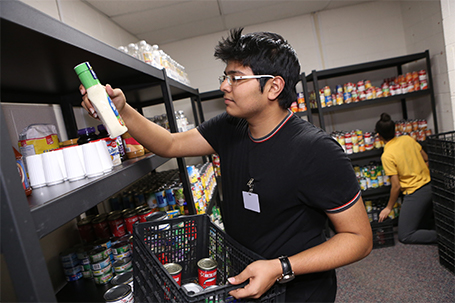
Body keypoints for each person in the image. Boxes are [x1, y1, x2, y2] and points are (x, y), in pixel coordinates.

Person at [81, 28, 372, 302]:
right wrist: (122, 110)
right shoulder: (230, 127)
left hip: (297, 291)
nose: (223, 86)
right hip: (244, 278)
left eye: (236, 78)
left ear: (273, 86)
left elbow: (359, 238)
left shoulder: (316, 151)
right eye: (225, 76)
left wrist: (280, 267)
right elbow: (170, 145)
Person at [376, 113, 437, 244]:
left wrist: (388, 207)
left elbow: (396, 186)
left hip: (415, 192)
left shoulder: (387, 155)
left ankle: (444, 236)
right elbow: (426, 159)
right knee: (421, 223)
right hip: (431, 186)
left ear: (379, 136)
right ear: (395, 130)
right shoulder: (407, 139)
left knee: (405, 235)